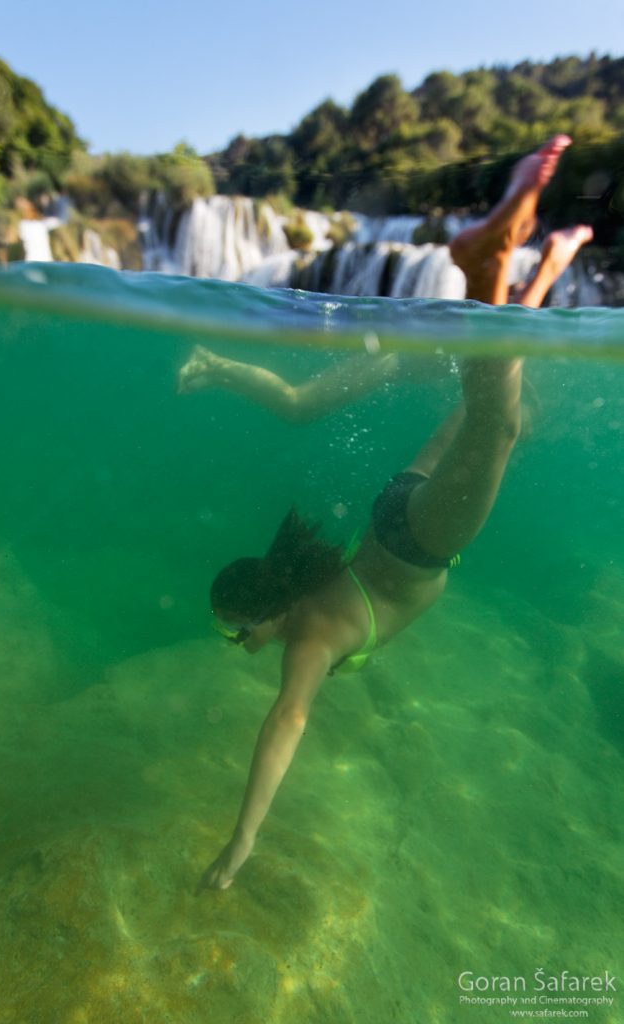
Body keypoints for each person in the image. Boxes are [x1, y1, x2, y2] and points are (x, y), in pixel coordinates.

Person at [200, 135, 592, 891]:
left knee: (493, 424)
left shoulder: (307, 637)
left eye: (230, 632)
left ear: (257, 617)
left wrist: (241, 841)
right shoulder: (305, 587)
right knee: (476, 410)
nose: (236, 645)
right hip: (394, 507)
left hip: (419, 543)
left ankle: (487, 272)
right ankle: (545, 267)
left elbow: (286, 723)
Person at [178, 214, 591, 426]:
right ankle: (212, 363)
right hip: (393, 359)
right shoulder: (500, 333)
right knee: (298, 405)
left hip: (407, 357)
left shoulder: (499, 328)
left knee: (297, 405)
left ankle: (214, 367)